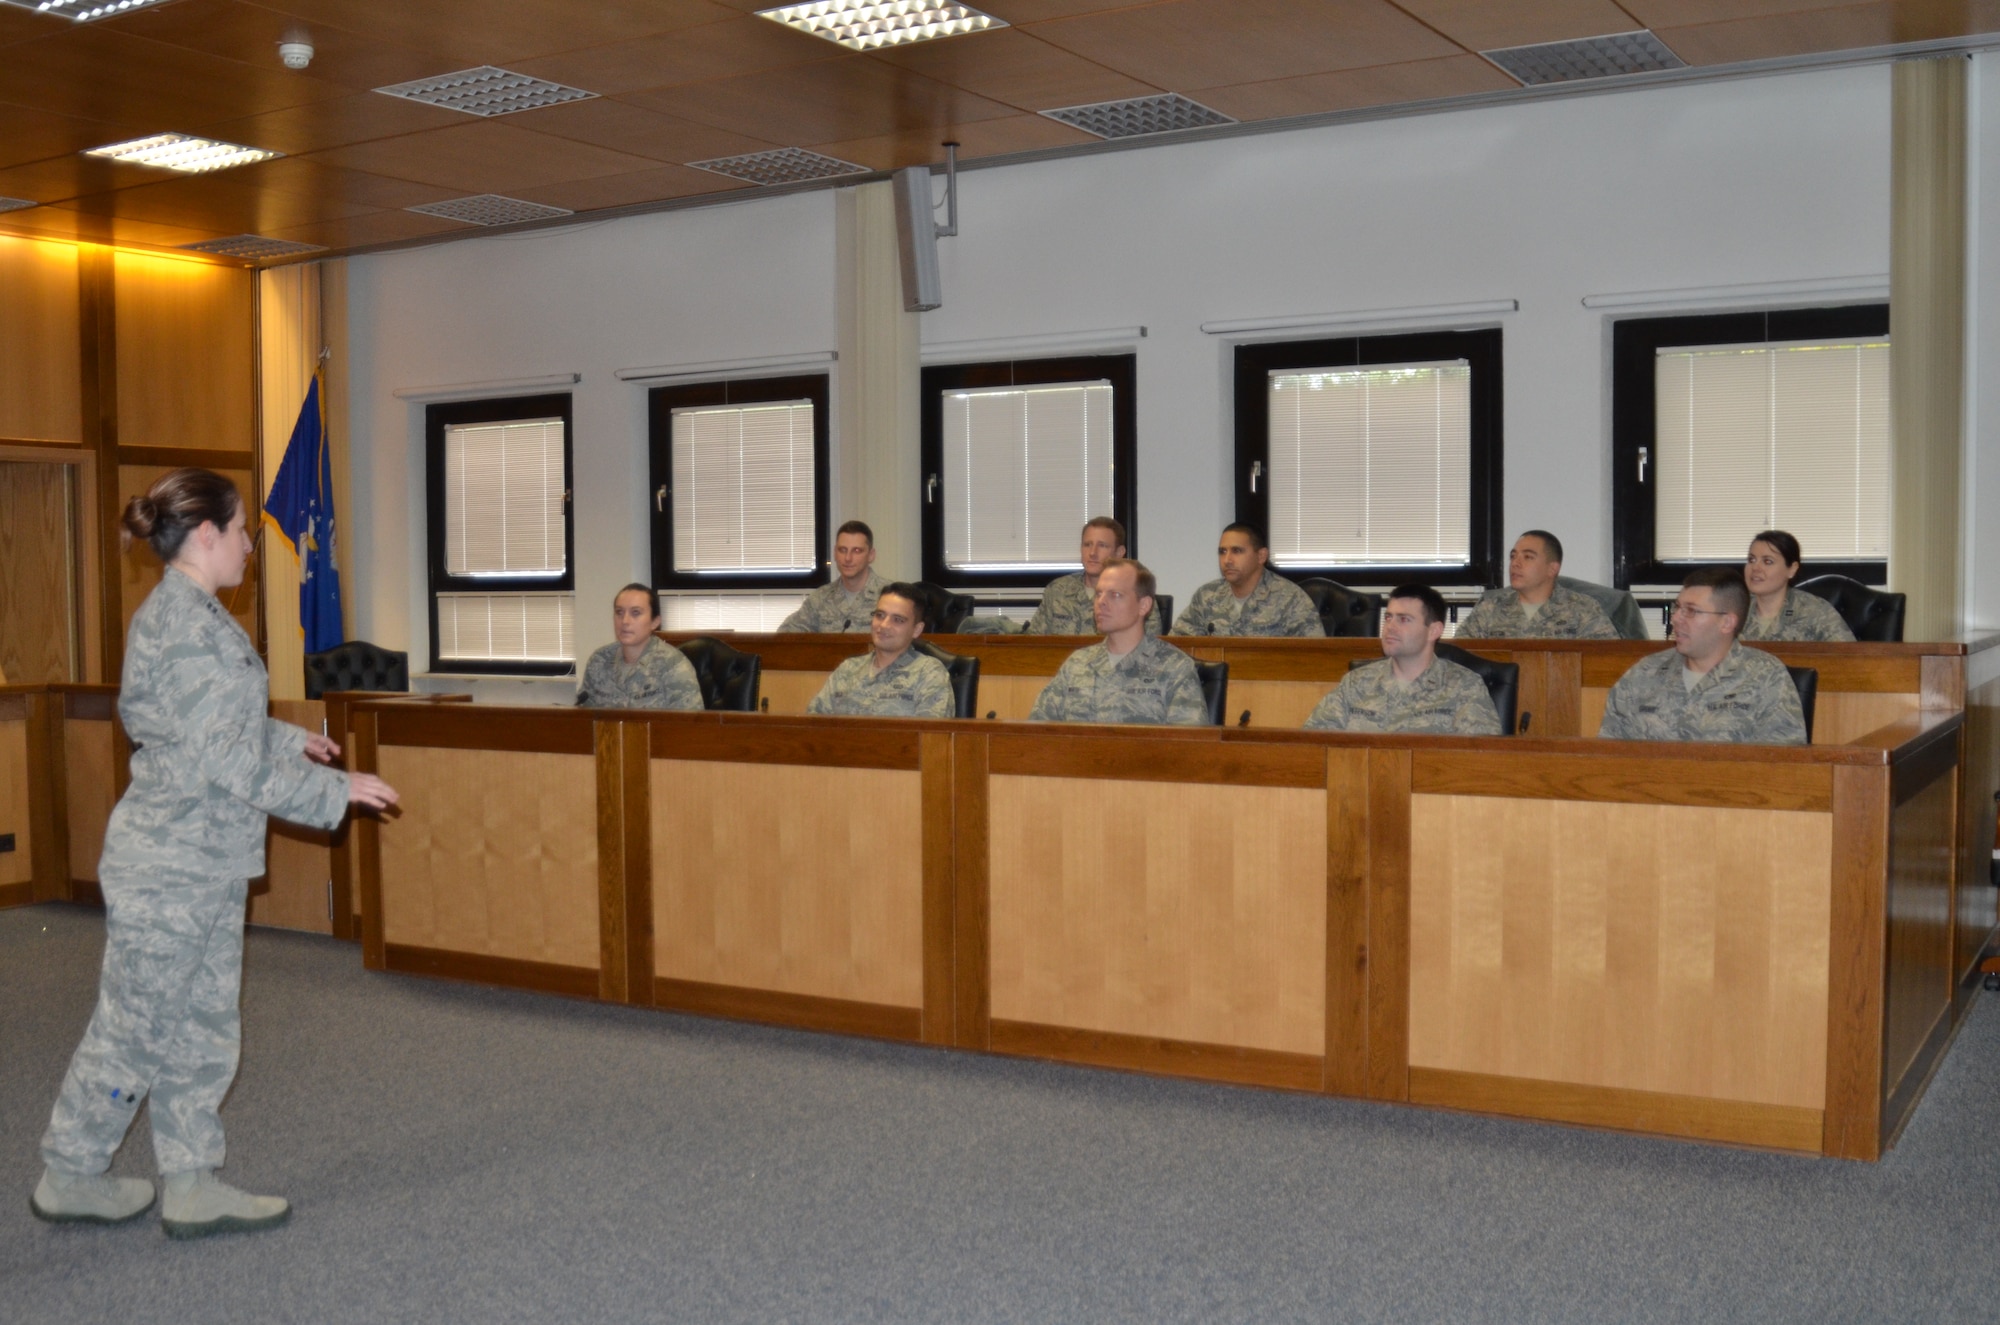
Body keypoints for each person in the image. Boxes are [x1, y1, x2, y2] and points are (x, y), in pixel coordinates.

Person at [33, 468, 400, 1239]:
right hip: (170, 864)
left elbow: (219, 729)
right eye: (240, 532)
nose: (247, 548)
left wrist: (292, 738)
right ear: (206, 535)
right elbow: (223, 763)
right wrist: (335, 792)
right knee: (136, 1026)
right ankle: (70, 1170)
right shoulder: (186, 627)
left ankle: (192, 1180)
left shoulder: (195, 615)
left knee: (200, 1025)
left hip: (206, 859)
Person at [1598, 567, 1807, 744]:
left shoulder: (1767, 677)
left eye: (1691, 611)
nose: (1676, 618)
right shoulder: (1644, 672)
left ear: (1726, 622)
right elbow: (1607, 755)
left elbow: (1784, 768)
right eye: (1677, 607)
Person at [1304, 585, 1502, 735]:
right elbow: (1313, 744)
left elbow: (1479, 761)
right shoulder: (1355, 683)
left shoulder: (1465, 687)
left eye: (1404, 619)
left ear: (1434, 630)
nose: (1390, 626)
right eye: (1388, 617)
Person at [1031, 559, 1207, 725]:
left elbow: (1189, 747)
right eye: (1098, 594)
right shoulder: (1077, 664)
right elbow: (1038, 731)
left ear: (1144, 605)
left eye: (1115, 595)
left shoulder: (1176, 668)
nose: (1101, 602)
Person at [807, 584, 955, 717]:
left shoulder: (929, 673)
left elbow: (931, 738)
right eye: (880, 615)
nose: (883, 625)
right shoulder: (848, 669)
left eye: (897, 620)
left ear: (916, 630)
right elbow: (812, 724)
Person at [1456, 531, 1620, 640]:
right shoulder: (1489, 609)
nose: (1515, 564)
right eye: (1513, 556)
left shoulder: (1583, 609)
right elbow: (1458, 658)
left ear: (1552, 569)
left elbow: (1606, 660)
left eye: (1527, 557)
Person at [1169, 523, 1324, 637]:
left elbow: (1314, 656)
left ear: (1261, 556)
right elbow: (1178, 645)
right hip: (1217, 680)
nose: (1227, 560)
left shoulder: (1291, 599)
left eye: (1237, 551)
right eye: (1222, 552)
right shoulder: (1207, 596)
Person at [1025, 516, 1162, 636]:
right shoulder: (1058, 590)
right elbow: (1034, 643)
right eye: (1087, 545)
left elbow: (1150, 646)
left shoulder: (1135, 592)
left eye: (1102, 546)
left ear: (1119, 552)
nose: (1092, 553)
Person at [576, 583, 703, 709]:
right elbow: (583, 719)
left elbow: (690, 725)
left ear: (655, 622)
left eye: (635, 613)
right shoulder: (599, 660)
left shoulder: (672, 664)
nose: (625, 621)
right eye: (619, 612)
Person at [1741, 529, 1855, 642]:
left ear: (1792, 569)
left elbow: (1850, 657)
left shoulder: (1815, 612)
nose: (1755, 567)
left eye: (1767, 561)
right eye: (1751, 560)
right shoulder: (1734, 608)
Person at [779, 521, 888, 633]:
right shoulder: (820, 599)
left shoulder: (891, 596)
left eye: (856, 551)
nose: (848, 558)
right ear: (835, 553)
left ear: (871, 555)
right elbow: (784, 638)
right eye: (842, 550)